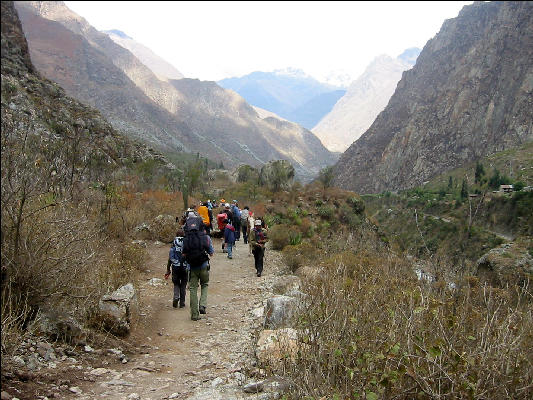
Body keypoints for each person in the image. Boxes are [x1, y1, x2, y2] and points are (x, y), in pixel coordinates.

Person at [182, 222, 214, 321]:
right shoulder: (206, 238)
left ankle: (194, 315)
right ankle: (202, 305)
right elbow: (211, 253)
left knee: (193, 289)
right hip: (204, 266)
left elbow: (183, 254)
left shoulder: (186, 239)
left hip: (192, 267)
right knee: (204, 284)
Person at [164, 230, 188, 308]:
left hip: (175, 266)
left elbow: (170, 258)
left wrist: (168, 269)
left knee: (176, 283)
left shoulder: (174, 243)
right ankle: (182, 302)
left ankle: (176, 297)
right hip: (184, 266)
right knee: (183, 284)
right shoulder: (186, 242)